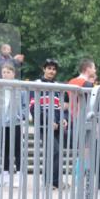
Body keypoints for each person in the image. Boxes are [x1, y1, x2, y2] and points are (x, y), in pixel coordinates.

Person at [30, 58, 67, 189]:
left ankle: (53, 180)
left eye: (54, 69)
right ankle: (49, 181)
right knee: (54, 151)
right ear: (44, 69)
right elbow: (34, 107)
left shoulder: (57, 86)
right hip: (44, 125)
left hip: (56, 125)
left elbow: (59, 106)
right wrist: (48, 121)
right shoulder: (37, 84)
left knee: (56, 152)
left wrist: (62, 118)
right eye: (49, 68)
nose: (51, 71)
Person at [0, 63, 28, 187]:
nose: (5, 74)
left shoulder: (20, 88)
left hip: (16, 123)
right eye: (3, 72)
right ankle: (5, 175)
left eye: (8, 72)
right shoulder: (0, 88)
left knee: (17, 150)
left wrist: (21, 116)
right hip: (3, 124)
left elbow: (25, 105)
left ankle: (19, 175)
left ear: (13, 74)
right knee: (4, 150)